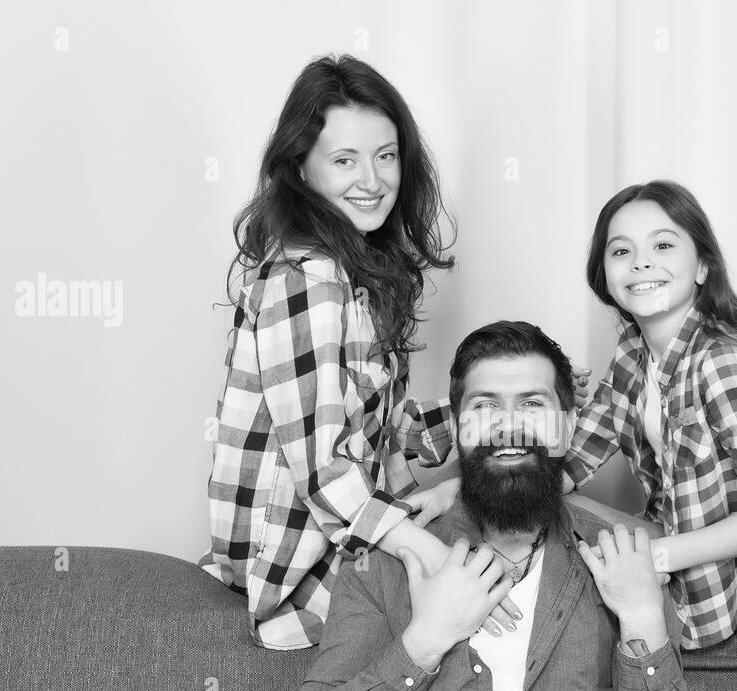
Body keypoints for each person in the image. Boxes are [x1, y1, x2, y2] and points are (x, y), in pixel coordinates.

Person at [197, 54, 589, 649]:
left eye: (385, 156)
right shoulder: (307, 280)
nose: (373, 180)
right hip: (292, 568)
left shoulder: (356, 278)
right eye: (345, 160)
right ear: (300, 169)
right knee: (488, 596)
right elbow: (327, 472)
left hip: (350, 535)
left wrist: (496, 409)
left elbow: (376, 429)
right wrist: (428, 554)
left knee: (524, 540)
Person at [292, 321, 702, 691]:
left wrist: (645, 623)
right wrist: (425, 641)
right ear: (460, 427)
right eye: (485, 407)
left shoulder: (618, 559)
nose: (508, 426)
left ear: (566, 425)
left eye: (532, 404)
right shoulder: (388, 558)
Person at [562, 180, 737, 650]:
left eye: (662, 245)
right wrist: (463, 489)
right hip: (672, 538)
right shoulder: (631, 353)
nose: (640, 262)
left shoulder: (722, 362)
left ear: (702, 266)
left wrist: (657, 558)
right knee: (549, 521)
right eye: (621, 251)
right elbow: (575, 460)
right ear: (605, 275)